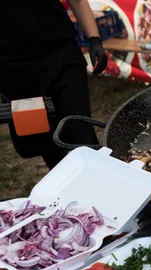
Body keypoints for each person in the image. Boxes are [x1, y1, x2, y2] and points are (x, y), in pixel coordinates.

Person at [0, 0, 108, 168]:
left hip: (61, 55)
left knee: (81, 135)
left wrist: (94, 39)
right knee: (43, 141)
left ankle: (102, 186)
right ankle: (64, 188)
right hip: (14, 70)